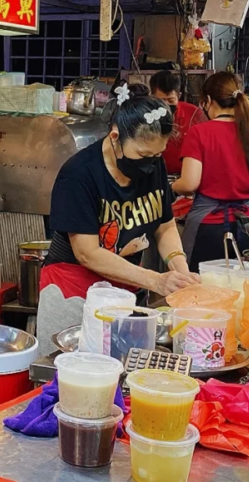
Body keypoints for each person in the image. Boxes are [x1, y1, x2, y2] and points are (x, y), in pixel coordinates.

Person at [36, 86, 200, 347]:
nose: (151, 163)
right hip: (74, 291)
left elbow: (165, 226)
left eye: (157, 155)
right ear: (115, 137)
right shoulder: (79, 175)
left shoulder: (153, 165)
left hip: (127, 287)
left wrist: (180, 272)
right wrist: (156, 280)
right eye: (143, 155)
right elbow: (87, 252)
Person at [171, 72, 249, 270]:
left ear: (208, 101)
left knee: (199, 290)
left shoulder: (199, 133)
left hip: (208, 226)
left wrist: (173, 186)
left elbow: (189, 184)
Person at [149, 70, 206, 178]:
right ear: (152, 97)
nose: (166, 105)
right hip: (155, 176)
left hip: (186, 177)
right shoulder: (145, 115)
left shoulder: (195, 114)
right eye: (161, 101)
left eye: (170, 100)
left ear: (179, 95)